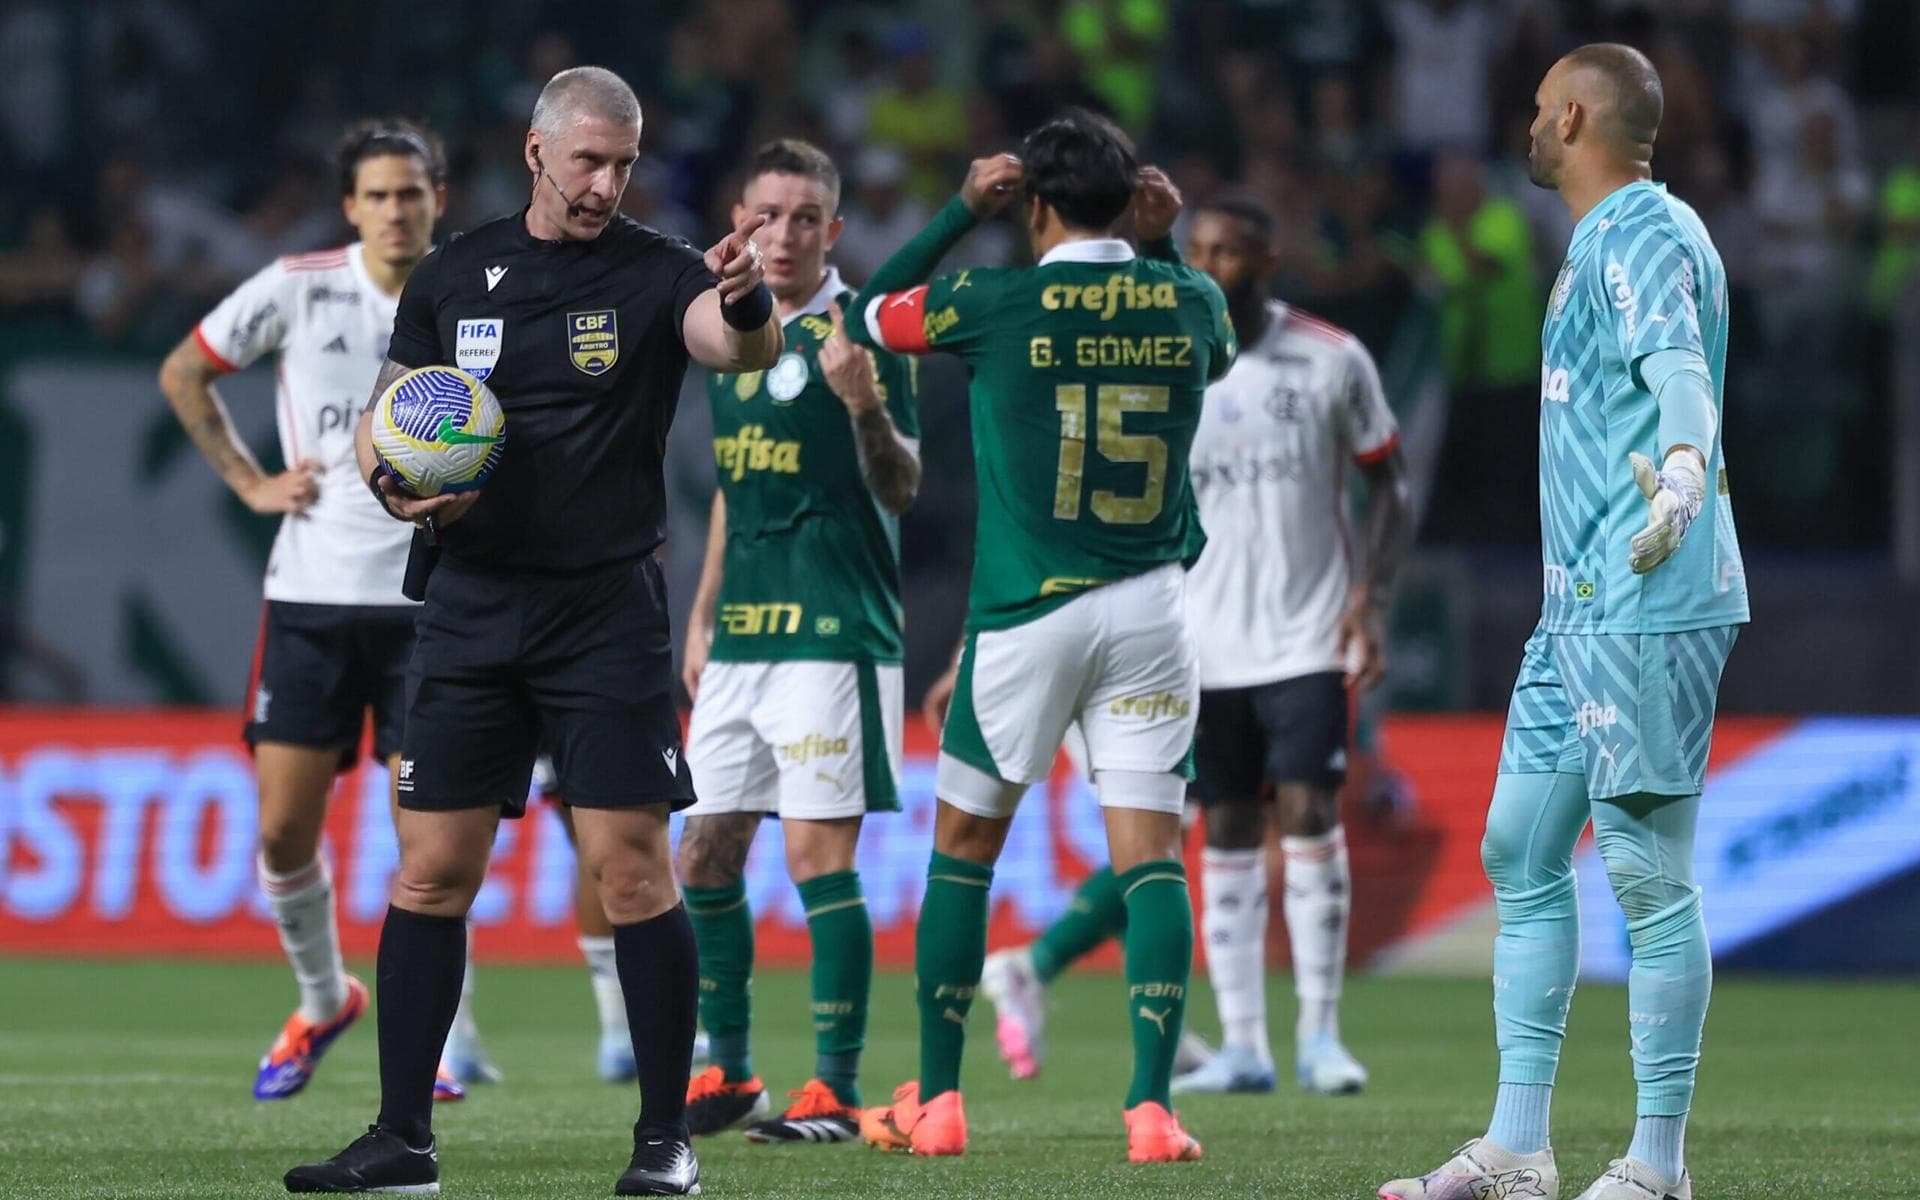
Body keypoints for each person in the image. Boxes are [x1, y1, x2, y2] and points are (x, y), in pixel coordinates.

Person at [282, 66, 779, 1198]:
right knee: (429, 876)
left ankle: (664, 1142)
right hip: (467, 607)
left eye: (625, 163)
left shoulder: (662, 273)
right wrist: (394, 484)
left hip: (604, 612)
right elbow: (388, 414)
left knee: (632, 873)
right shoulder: (456, 275)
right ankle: (402, 1139)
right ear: (538, 152)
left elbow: (738, 347)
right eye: (590, 160)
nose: (607, 182)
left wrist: (747, 295)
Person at [1381, 43, 1746, 1200]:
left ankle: (1655, 1167)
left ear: (1577, 115)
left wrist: (1685, 473)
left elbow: (1677, 367)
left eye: (1540, 108)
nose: (1528, 124)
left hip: (1647, 592)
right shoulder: (1614, 237)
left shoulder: (1636, 232)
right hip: (1580, 600)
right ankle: (1519, 1148)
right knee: (1520, 849)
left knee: (1644, 870)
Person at [844, 108, 1236, 1163]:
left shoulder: (991, 300)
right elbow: (1221, 354)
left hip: (1025, 615)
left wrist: (960, 210)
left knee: (965, 853)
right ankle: (1153, 1109)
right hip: (1152, 609)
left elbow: (867, 314)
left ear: (1037, 207)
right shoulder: (1191, 297)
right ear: (1131, 198)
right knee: (1152, 860)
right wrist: (1160, 242)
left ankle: (939, 1100)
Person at [975, 191, 1414, 1098]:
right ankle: (1246, 1045)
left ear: (1269, 260)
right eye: (1200, 249)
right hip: (1191, 641)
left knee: (1311, 818)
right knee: (1224, 833)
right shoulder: (1168, 356)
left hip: (1305, 634)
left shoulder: (1332, 361)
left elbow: (1391, 485)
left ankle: (1321, 1037)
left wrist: (1371, 602)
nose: (1212, 265)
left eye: (1231, 252)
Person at [157, 119, 470, 1105]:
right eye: (377, 195)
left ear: (439, 199)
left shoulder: (477, 293)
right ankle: (323, 995)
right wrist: (249, 484)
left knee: (428, 846)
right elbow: (184, 371)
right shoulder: (300, 284)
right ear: (350, 207)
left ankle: (439, 1040)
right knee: (285, 835)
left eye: (410, 193)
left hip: (430, 604)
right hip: (310, 597)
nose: (394, 210)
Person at [676, 138, 921, 1144]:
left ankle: (835, 1088)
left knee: (820, 858)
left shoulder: (864, 329)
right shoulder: (727, 332)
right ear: (736, 222)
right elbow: (738, 490)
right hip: (741, 637)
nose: (781, 236)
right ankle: (731, 1074)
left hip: (836, 632)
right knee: (704, 854)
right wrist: (700, 612)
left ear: (834, 229)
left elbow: (902, 484)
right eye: (763, 217)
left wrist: (865, 406)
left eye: (804, 218)